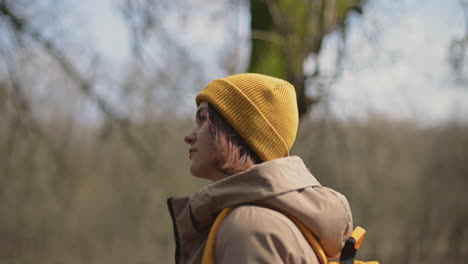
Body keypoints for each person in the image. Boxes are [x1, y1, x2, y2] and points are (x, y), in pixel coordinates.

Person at [167, 73, 353, 264]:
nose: (189, 136)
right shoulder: (254, 223)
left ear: (238, 132)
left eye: (203, 118)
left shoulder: (249, 229)